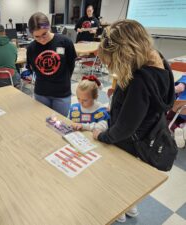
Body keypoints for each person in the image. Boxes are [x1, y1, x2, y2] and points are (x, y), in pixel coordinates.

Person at [92, 19, 175, 223]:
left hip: (129, 142)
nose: (112, 67)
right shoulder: (160, 61)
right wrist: (120, 102)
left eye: (112, 61)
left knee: (117, 179)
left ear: (124, 52)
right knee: (129, 180)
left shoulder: (140, 80)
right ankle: (130, 207)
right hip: (147, 134)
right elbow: (142, 107)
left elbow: (124, 128)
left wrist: (102, 135)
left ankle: (118, 211)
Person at [27, 12, 77, 117]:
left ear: (49, 27)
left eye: (44, 34)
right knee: (42, 124)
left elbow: (71, 65)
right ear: (32, 34)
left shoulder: (65, 42)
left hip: (62, 94)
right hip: (41, 93)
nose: (41, 39)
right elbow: (33, 69)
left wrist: (63, 79)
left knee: (60, 126)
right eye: (37, 36)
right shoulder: (31, 48)